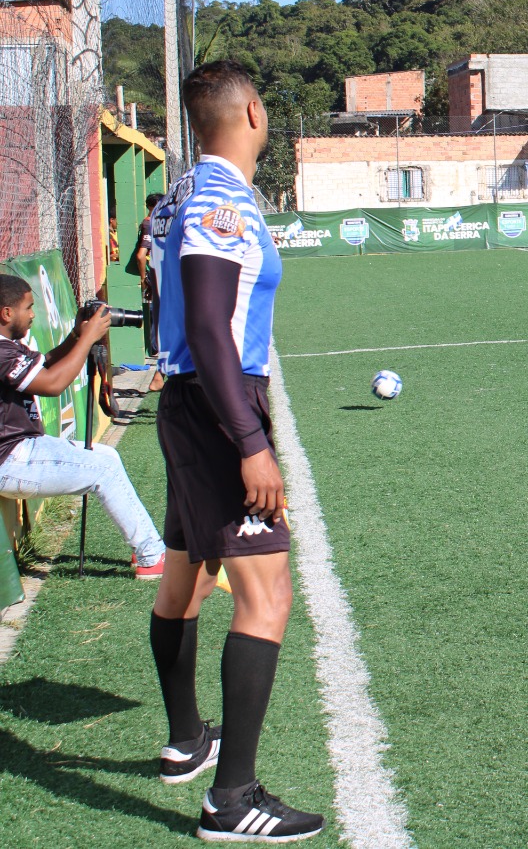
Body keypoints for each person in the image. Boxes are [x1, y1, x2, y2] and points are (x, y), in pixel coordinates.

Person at [147, 61, 324, 841]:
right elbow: (214, 326)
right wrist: (251, 442)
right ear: (252, 110)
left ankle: (187, 739)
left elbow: (169, 303)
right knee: (267, 594)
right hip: (221, 408)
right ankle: (234, 797)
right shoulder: (219, 202)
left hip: (190, 402)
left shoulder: (184, 194)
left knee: (185, 572)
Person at [0, 277, 165, 579]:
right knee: (104, 468)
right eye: (28, 308)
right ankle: (152, 557)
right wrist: (88, 339)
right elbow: (52, 383)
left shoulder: (8, 347)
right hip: (9, 460)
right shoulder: (1, 352)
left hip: (20, 450)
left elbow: (46, 364)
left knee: (108, 457)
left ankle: (148, 549)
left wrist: (77, 335)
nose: (33, 314)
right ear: (6, 313)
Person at [133, 192, 166, 392]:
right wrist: (145, 279)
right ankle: (159, 374)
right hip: (164, 280)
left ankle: (160, 373)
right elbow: (141, 255)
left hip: (162, 279)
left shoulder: (155, 222)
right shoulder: (150, 223)